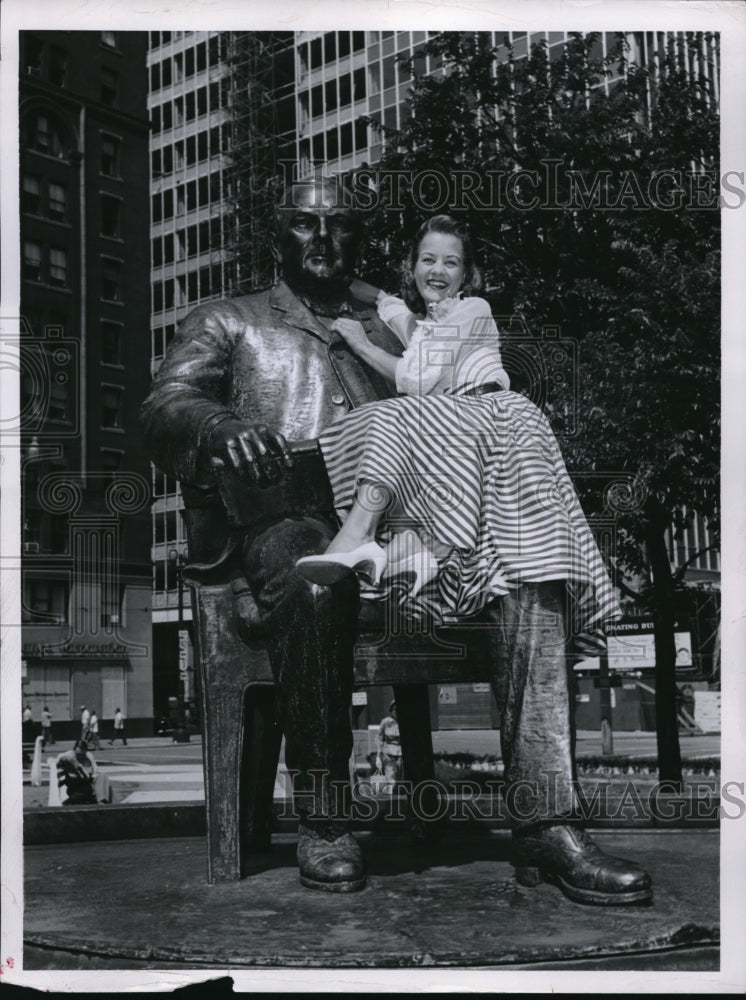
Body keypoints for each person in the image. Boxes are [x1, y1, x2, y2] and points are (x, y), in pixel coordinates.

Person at [141, 177, 651, 905]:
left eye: (340, 226)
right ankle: (324, 816)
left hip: (416, 524)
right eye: (306, 224)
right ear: (276, 237)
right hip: (293, 518)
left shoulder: (395, 327)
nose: (324, 239)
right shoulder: (231, 320)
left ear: (359, 240)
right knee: (321, 575)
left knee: (529, 570)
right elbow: (164, 407)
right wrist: (218, 425)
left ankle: (546, 821)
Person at [296, 215, 618, 657]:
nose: (438, 271)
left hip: (496, 419)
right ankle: (411, 547)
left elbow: (417, 379)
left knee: (391, 415)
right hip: (460, 425)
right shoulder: (430, 328)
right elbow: (396, 313)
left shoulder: (473, 309)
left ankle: (361, 538)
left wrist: (360, 343)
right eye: (427, 260)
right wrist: (356, 287)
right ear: (412, 268)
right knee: (382, 429)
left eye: (451, 263)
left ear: (466, 274)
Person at [56, 740, 97, 805]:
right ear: (74, 751)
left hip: (85, 783)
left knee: (102, 778)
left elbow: (94, 769)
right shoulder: (69, 755)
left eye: (82, 755)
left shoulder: (88, 756)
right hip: (73, 784)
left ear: (85, 752)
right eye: (78, 755)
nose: (80, 757)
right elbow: (56, 761)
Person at [376, 701, 402, 787]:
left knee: (400, 780)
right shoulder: (385, 722)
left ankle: (399, 799)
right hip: (388, 754)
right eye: (395, 709)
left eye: (399, 709)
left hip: (401, 754)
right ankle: (391, 798)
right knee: (391, 781)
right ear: (391, 710)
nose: (397, 711)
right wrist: (378, 756)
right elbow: (380, 738)